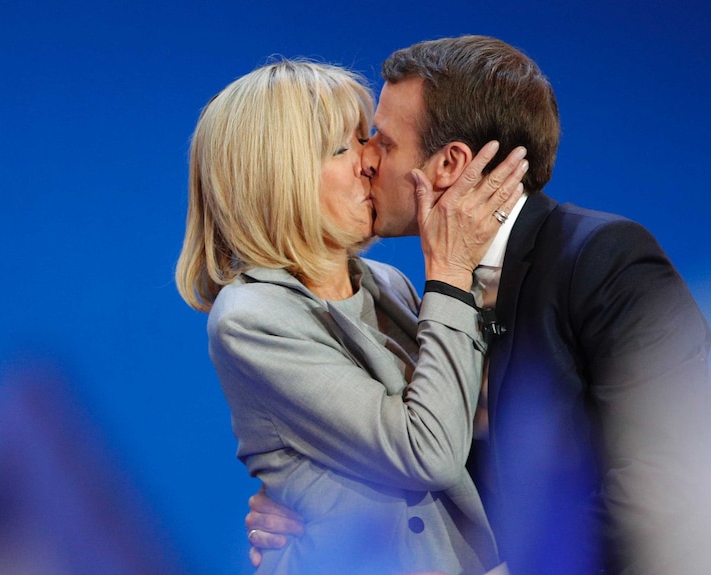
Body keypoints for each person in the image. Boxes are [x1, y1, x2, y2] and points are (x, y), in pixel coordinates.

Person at [245, 36, 711, 574]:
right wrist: (313, 500)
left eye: (382, 142)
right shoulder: (429, 293)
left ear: (450, 164)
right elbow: (436, 456)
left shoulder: (604, 261)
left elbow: (672, 477)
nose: (366, 160)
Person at [175, 59, 528, 574]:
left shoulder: (387, 283)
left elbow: (475, 414)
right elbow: (426, 450)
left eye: (365, 139)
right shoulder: (251, 318)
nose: (369, 161)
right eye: (343, 147)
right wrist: (451, 274)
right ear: (279, 179)